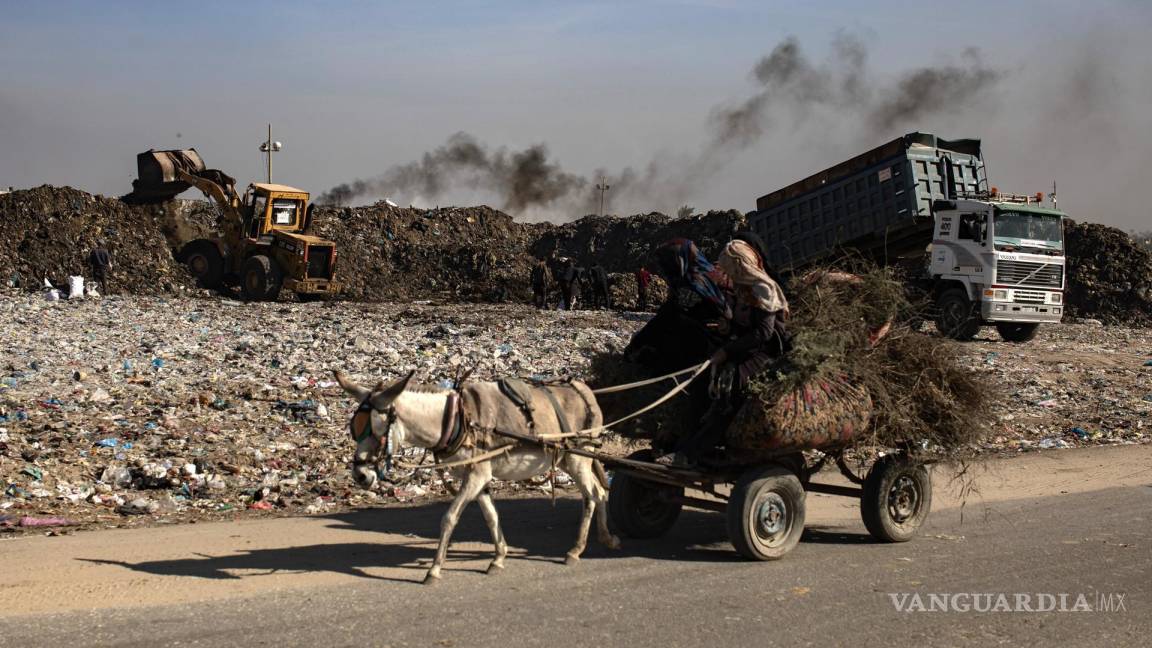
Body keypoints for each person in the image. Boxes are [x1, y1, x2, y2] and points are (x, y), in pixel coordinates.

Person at [664, 237, 789, 466]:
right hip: (744, 349)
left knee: (729, 388)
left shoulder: (764, 288)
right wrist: (726, 328)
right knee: (700, 382)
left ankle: (693, 452)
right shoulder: (742, 289)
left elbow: (763, 334)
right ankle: (683, 445)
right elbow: (741, 327)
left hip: (767, 352)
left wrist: (727, 351)